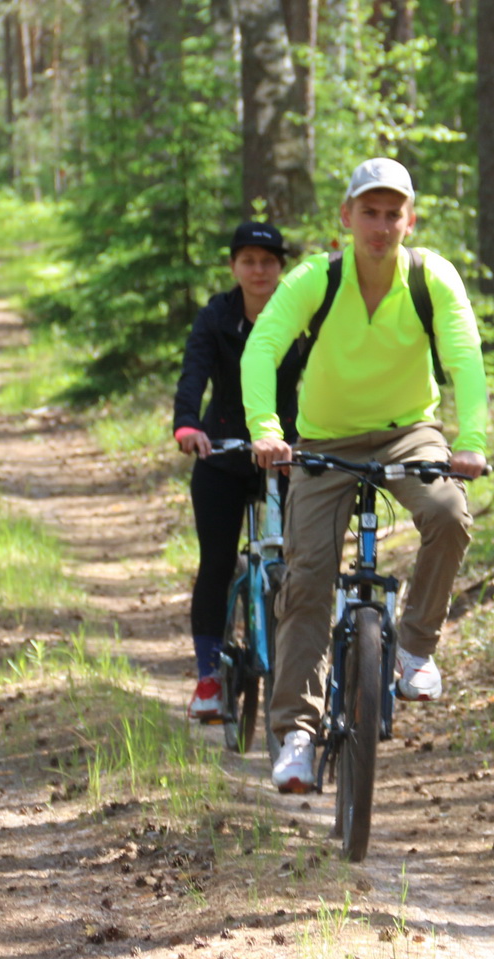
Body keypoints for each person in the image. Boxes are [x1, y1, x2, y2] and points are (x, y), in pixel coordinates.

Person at [241, 157, 490, 793]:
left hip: (410, 430)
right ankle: (297, 734)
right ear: (346, 217)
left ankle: (415, 647)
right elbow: (264, 345)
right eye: (369, 213)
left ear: (410, 220)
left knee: (448, 513)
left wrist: (471, 441)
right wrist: (266, 429)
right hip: (325, 438)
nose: (381, 226)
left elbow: (464, 356)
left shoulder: (431, 277)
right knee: (308, 577)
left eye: (392, 214)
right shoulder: (316, 278)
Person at [171, 220, 303, 721]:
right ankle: (209, 678)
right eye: (248, 261)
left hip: (286, 452)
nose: (258, 270)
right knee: (217, 563)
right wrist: (187, 424)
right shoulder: (216, 316)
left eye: (268, 261)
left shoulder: (301, 315)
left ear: (281, 268)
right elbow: (194, 371)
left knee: (298, 561)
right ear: (233, 267)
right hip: (224, 450)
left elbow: (325, 373)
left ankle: (300, 667)